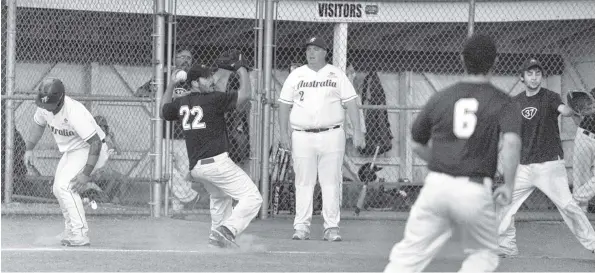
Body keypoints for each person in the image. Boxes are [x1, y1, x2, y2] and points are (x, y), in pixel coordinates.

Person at [383, 34, 522, 272]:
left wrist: (439, 161)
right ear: (495, 62)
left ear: (461, 59)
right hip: (474, 189)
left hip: (436, 185)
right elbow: (510, 142)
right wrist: (508, 185)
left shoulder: (441, 97)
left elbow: (416, 143)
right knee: (483, 255)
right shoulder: (503, 101)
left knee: (408, 256)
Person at [160, 58, 263, 248]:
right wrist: (241, 70)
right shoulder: (213, 99)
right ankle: (227, 230)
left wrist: (171, 84)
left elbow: (164, 111)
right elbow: (246, 94)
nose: (211, 81)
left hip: (198, 167)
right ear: (194, 83)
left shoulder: (182, 102)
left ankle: (216, 241)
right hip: (217, 163)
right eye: (206, 78)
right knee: (253, 197)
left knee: (220, 198)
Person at [497, 59, 595, 257]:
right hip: (524, 166)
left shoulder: (549, 97)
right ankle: (507, 246)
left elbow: (563, 110)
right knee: (505, 205)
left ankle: (593, 244)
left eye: (538, 74)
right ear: (522, 77)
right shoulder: (516, 102)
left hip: (549, 164)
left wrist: (575, 112)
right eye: (530, 74)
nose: (534, 77)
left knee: (568, 206)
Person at [278, 36, 365, 241]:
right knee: (303, 182)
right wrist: (283, 133)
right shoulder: (297, 74)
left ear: (325, 52)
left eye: (316, 49)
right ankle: (301, 227)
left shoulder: (336, 74)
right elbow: (283, 105)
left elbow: (352, 102)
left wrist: (358, 131)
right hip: (302, 134)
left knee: (331, 181)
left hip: (332, 133)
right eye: (309, 49)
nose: (311, 53)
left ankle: (331, 227)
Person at [23, 78, 110, 247]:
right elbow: (38, 125)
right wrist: (29, 149)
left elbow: (96, 143)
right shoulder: (44, 106)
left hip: (93, 150)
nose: (45, 108)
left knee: (66, 187)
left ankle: (79, 234)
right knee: (57, 188)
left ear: (60, 99)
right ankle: (70, 230)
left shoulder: (74, 112)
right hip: (74, 150)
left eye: (49, 104)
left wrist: (85, 175)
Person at [136, 48, 200, 217]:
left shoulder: (194, 80)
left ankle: (178, 211)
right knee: (164, 168)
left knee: (184, 172)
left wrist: (192, 93)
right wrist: (159, 92)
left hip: (186, 134)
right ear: (174, 59)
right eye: (182, 57)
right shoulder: (163, 77)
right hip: (164, 134)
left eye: (189, 58)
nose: (186, 60)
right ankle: (189, 197)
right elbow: (140, 92)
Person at [572, 87, 595, 213]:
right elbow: (582, 109)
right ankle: (579, 216)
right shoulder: (594, 92)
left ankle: (574, 200)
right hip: (586, 137)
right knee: (580, 179)